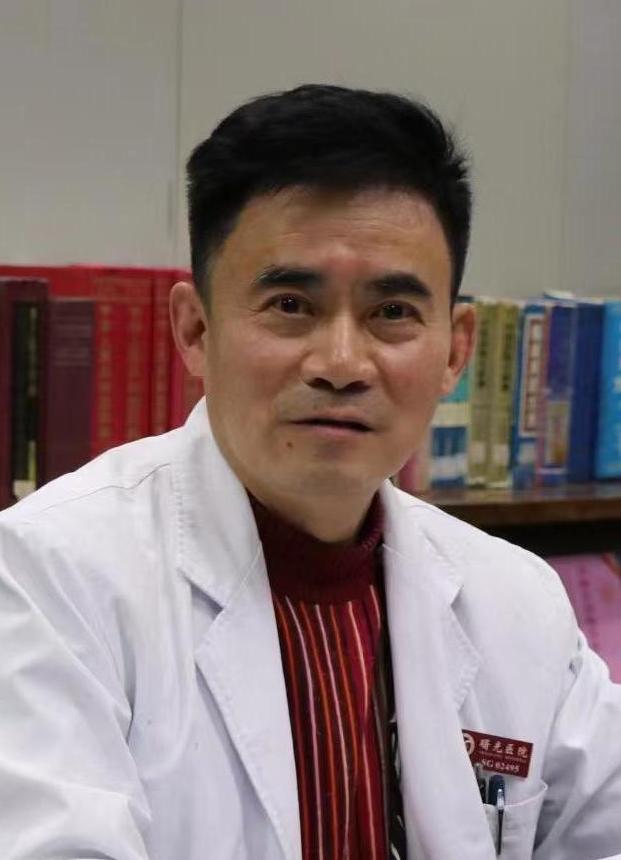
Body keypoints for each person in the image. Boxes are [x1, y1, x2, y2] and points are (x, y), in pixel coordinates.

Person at [0, 84, 620, 860]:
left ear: (456, 349)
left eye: (391, 313)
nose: (340, 363)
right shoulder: (47, 574)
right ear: (195, 330)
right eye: (291, 304)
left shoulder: (515, 598)